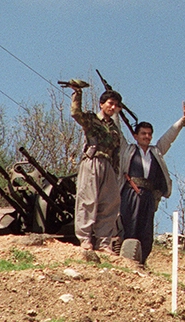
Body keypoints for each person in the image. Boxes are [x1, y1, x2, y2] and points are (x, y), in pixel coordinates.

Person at [119, 102, 185, 263]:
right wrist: (116, 111)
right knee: (129, 224)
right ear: (136, 136)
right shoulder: (128, 150)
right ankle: (125, 258)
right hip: (130, 193)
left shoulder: (156, 152)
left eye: (149, 134)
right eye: (143, 133)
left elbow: (168, 138)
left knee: (146, 229)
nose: (147, 136)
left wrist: (182, 120)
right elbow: (117, 132)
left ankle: (141, 261)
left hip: (148, 196)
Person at [69, 83, 124, 254]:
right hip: (92, 161)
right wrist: (77, 93)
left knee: (109, 204)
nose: (112, 107)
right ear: (102, 104)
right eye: (110, 103)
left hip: (108, 165)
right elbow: (75, 113)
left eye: (115, 105)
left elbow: (116, 152)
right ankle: (85, 239)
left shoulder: (114, 129)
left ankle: (103, 242)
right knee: (88, 200)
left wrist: (115, 173)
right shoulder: (92, 119)